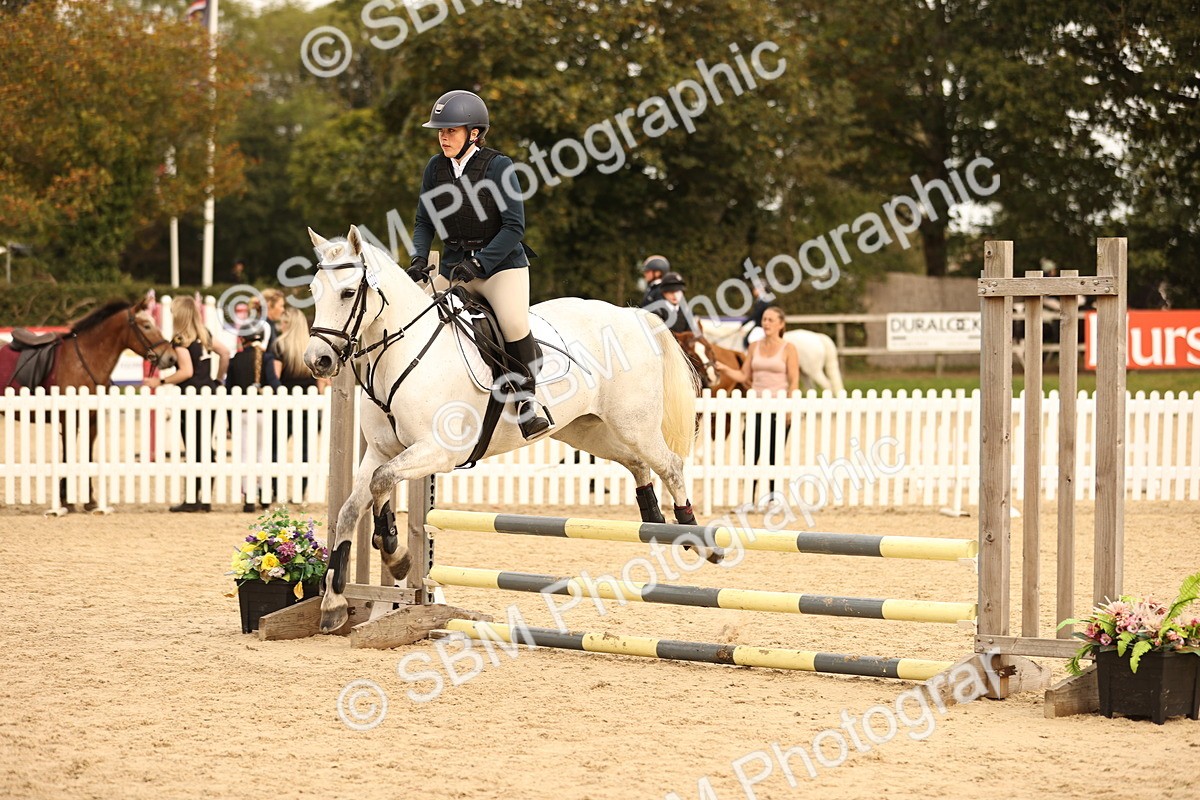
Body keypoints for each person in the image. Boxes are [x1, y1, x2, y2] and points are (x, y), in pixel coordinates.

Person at [406, 89, 549, 439]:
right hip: (455, 267)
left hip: (501, 266)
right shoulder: (435, 168)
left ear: (474, 133)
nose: (443, 136)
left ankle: (528, 404)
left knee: (514, 323)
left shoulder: (499, 166)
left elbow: (514, 227)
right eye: (440, 130)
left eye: (450, 130)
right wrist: (418, 259)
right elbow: (425, 221)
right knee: (418, 319)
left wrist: (481, 264)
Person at [144, 296, 230, 512]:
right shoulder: (205, 335)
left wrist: (160, 381)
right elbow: (225, 353)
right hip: (208, 394)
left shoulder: (181, 340)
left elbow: (186, 371)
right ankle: (204, 498)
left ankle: (192, 499)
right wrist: (218, 379)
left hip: (190, 399)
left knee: (192, 447)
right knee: (204, 446)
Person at [715, 306, 799, 499]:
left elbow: (794, 381)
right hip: (755, 407)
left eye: (770, 320)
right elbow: (744, 375)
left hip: (779, 407)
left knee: (774, 453)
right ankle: (749, 498)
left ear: (781, 324)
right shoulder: (754, 347)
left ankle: (772, 498)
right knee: (750, 451)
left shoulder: (789, 349)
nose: (766, 323)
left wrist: (789, 408)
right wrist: (724, 368)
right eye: (764, 319)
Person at [272, 307, 330, 502]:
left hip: (286, 405)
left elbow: (276, 378)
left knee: (277, 448)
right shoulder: (310, 348)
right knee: (306, 450)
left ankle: (276, 490)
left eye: (283, 322)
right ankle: (300, 493)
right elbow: (321, 379)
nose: (280, 326)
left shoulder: (279, 346)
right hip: (309, 405)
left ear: (288, 324)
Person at [225, 327, 280, 513]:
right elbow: (275, 384)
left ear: (243, 340)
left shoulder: (235, 360)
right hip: (262, 413)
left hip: (242, 414)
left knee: (244, 455)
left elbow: (228, 390)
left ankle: (248, 496)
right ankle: (264, 494)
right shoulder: (267, 358)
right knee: (262, 453)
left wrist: (229, 421)